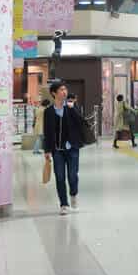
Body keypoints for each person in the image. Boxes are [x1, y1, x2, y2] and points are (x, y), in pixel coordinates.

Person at [43, 81, 86, 215]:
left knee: (72, 175)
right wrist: (47, 150)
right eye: (61, 90)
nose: (64, 92)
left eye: (65, 89)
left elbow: (81, 123)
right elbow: (47, 132)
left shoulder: (71, 107)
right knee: (60, 177)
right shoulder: (49, 111)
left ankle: (73, 194)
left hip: (72, 148)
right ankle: (64, 204)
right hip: (57, 150)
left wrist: (72, 109)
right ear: (54, 93)